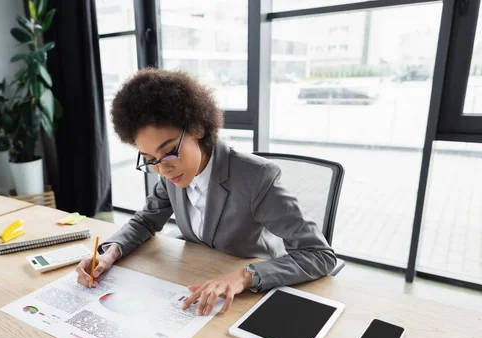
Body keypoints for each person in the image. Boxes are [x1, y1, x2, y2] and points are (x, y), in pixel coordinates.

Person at [76, 68, 336, 316]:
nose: (163, 169)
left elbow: (319, 255)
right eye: (150, 159)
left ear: (198, 129)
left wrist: (244, 277)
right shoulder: (169, 173)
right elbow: (145, 220)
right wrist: (110, 252)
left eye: (168, 152)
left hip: (249, 295)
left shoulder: (256, 177)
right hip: (196, 284)